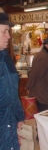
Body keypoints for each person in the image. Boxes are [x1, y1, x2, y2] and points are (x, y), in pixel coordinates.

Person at [0, 12, 25, 150]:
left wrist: (19, 116)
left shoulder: (6, 59)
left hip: (9, 123)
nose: (8, 36)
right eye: (4, 32)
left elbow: (13, 93)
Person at [26, 37, 48, 112]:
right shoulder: (42, 57)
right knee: (41, 115)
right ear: (47, 46)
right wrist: (28, 87)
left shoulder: (44, 56)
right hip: (42, 94)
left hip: (43, 93)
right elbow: (35, 74)